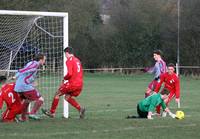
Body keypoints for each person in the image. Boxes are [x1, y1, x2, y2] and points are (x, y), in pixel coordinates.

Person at [42, 46, 85, 119]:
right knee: (67, 97)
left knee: (57, 94)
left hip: (73, 83)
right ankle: (80, 109)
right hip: (80, 84)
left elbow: (70, 74)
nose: (65, 56)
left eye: (65, 54)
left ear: (67, 53)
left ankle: (52, 112)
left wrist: (64, 78)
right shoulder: (77, 60)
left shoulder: (69, 60)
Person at [14, 53, 46, 121]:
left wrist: (32, 82)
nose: (44, 61)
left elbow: (27, 74)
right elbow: (25, 69)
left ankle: (22, 118)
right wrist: (15, 76)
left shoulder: (32, 63)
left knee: (27, 100)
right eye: (44, 60)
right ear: (40, 60)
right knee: (40, 99)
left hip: (19, 86)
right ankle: (32, 113)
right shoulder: (35, 64)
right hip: (24, 86)